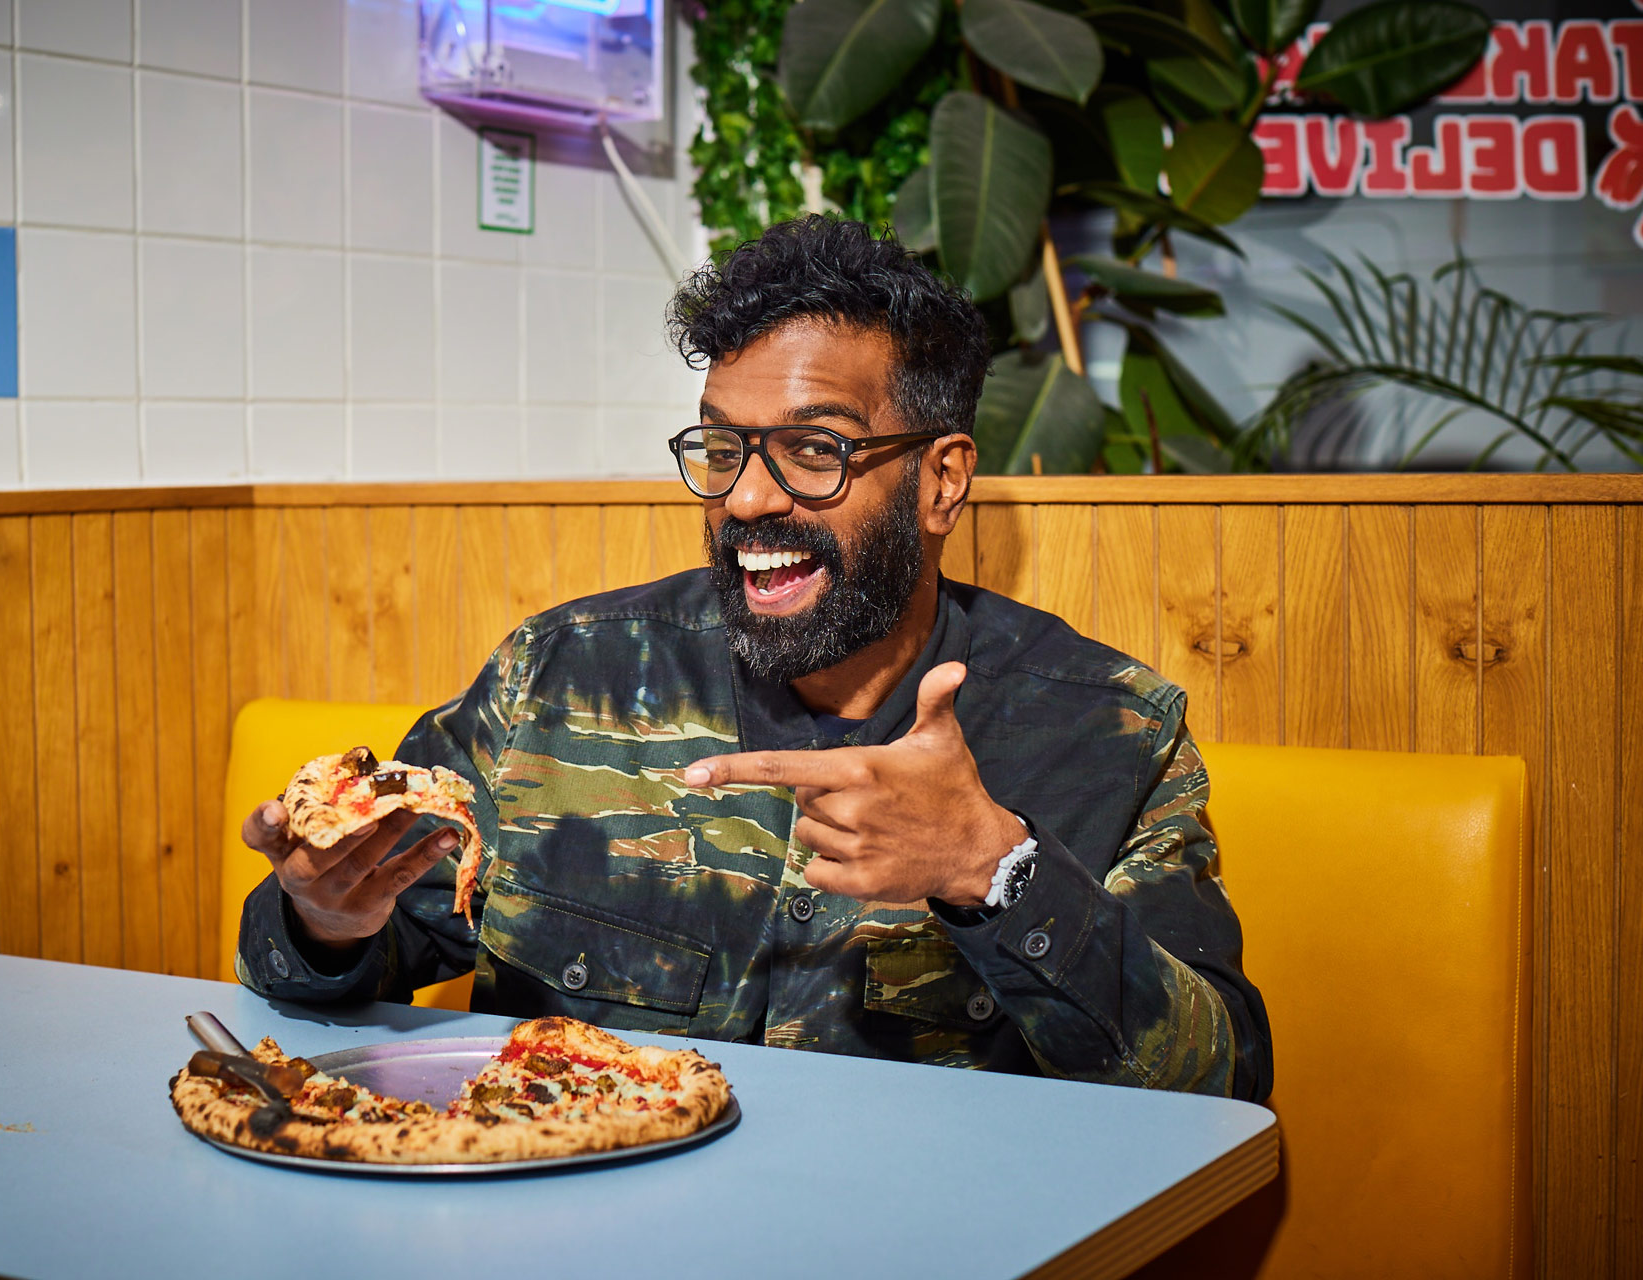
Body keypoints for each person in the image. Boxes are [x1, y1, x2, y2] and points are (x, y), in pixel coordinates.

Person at [236, 215, 1271, 1100]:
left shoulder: (1109, 730)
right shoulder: (557, 679)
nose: (746, 497)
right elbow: (331, 953)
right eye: (723, 447)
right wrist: (323, 920)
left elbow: (1220, 1077)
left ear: (942, 481)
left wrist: (997, 870)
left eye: (816, 450)